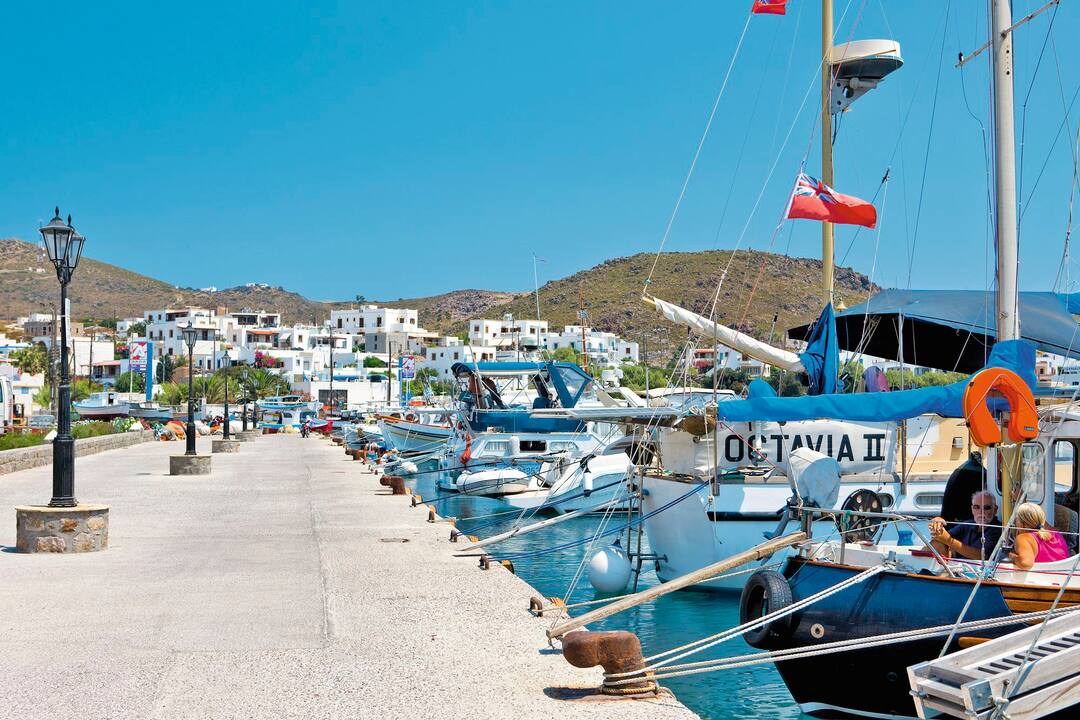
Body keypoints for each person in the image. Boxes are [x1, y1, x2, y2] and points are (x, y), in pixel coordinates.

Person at [929, 490, 1002, 560]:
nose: (981, 512)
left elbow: (981, 556)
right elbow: (940, 538)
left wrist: (949, 541)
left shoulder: (997, 529)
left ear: (995, 510)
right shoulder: (968, 525)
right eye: (976, 507)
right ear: (972, 509)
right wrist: (938, 526)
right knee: (936, 544)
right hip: (958, 568)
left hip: (980, 571)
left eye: (986, 508)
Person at [1009, 502, 1070, 569]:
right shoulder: (1057, 534)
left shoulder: (1024, 538)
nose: (1015, 522)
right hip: (1063, 576)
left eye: (1016, 519)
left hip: (1041, 577)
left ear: (1022, 522)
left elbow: (1025, 564)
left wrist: (1012, 557)